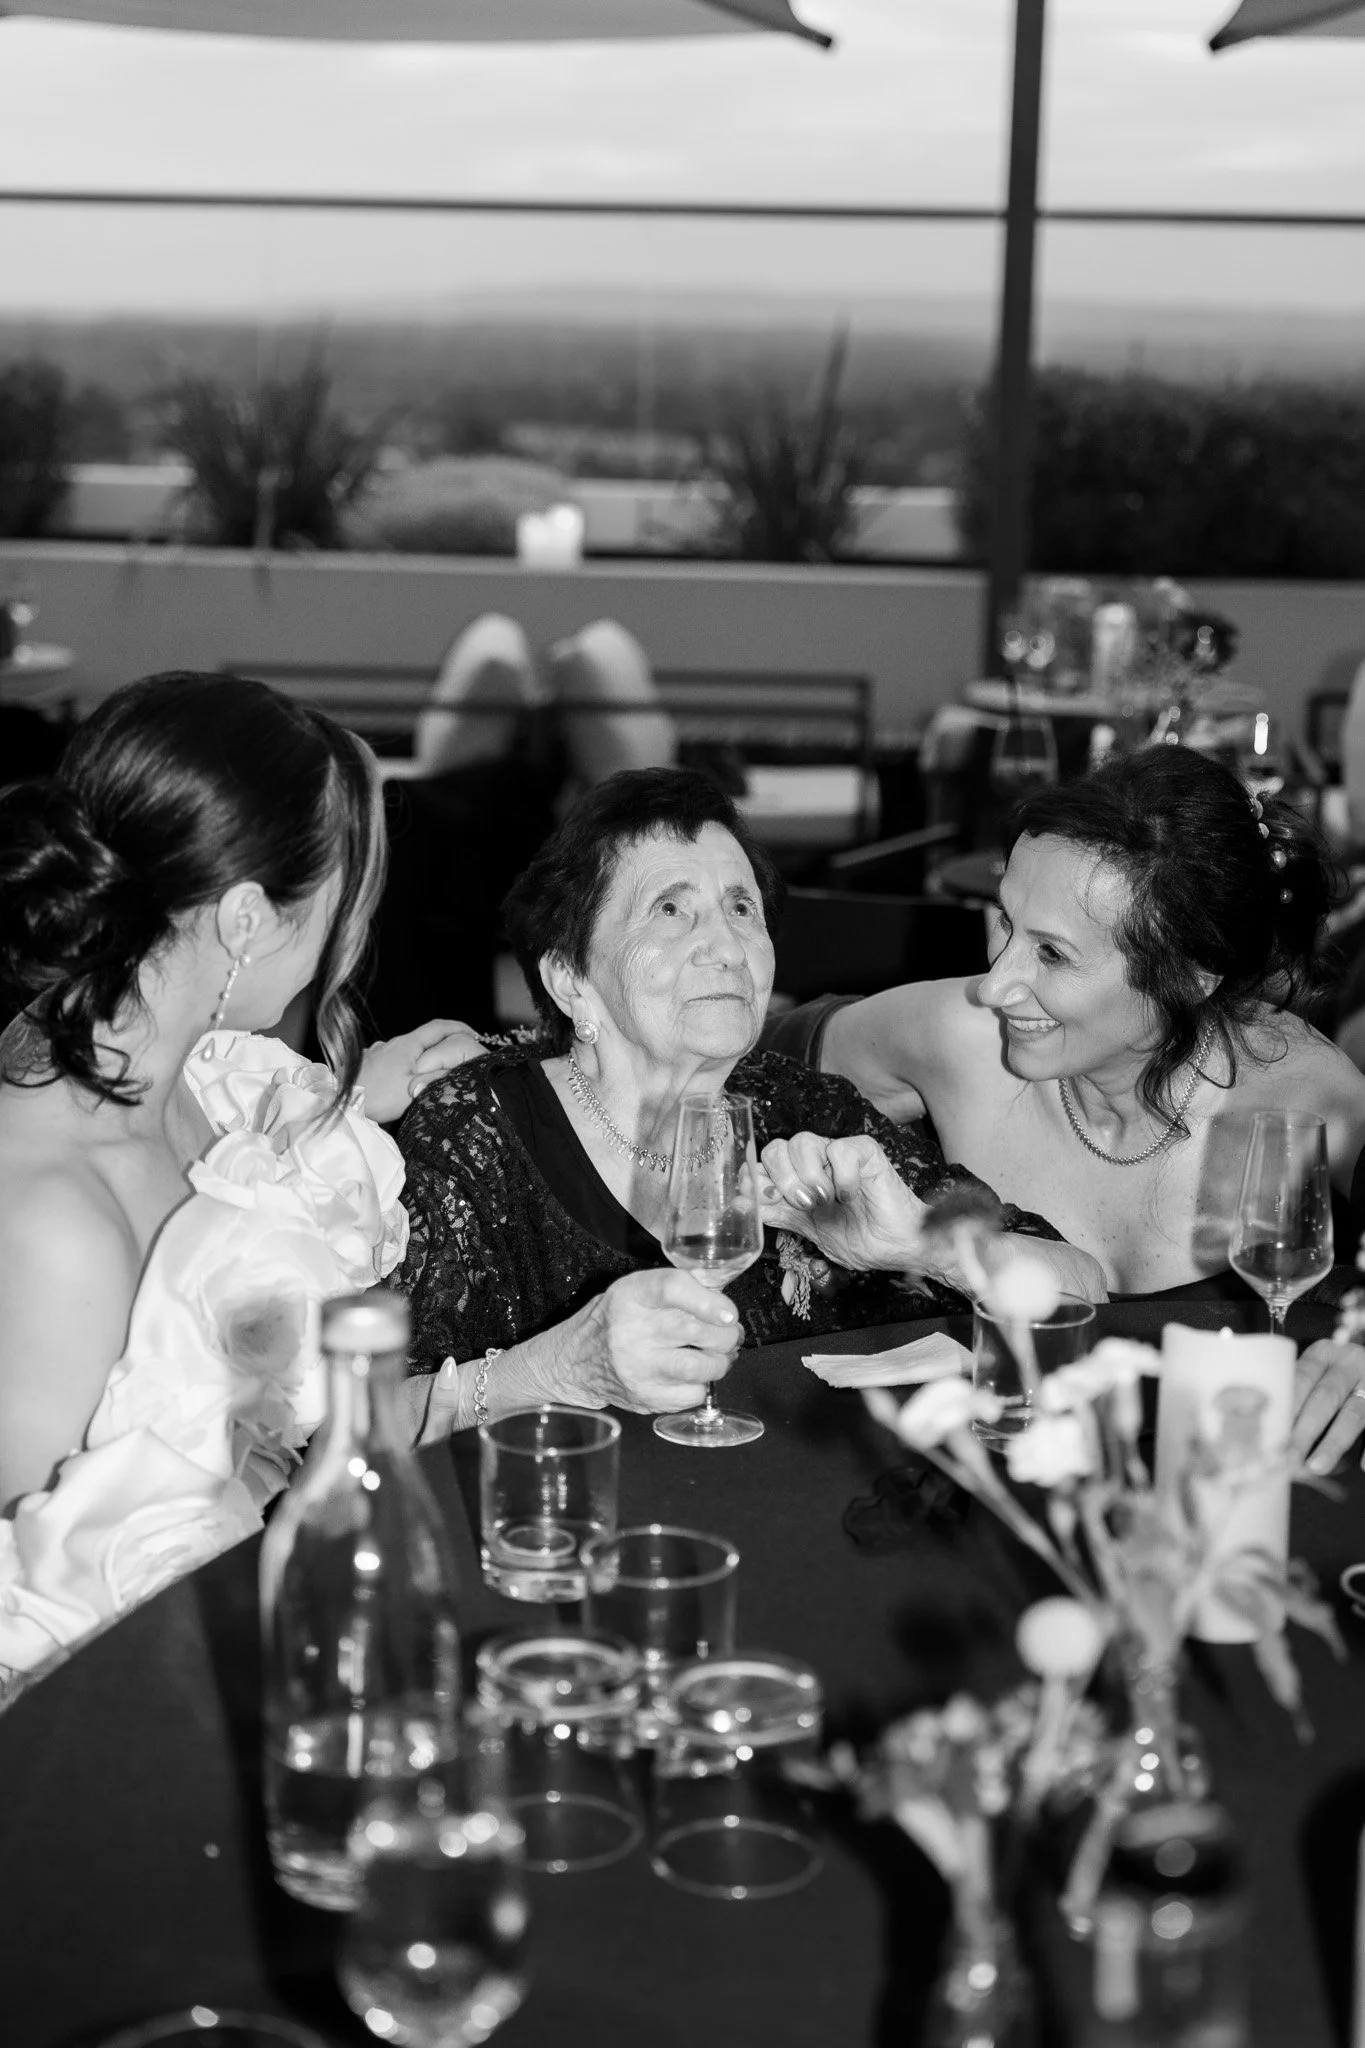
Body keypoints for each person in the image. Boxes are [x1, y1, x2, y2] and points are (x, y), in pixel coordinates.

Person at [0, 671, 474, 1691]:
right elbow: (51, 1605)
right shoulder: (52, 1223)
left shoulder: (185, 1078)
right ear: (251, 918)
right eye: (335, 895)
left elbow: (245, 1162)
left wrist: (368, 1092)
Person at [394, 767, 1106, 1422]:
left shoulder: (808, 1112)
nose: (726, 946)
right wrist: (551, 1370)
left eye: (741, 908)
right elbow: (352, 1422)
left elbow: (1081, 1287)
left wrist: (923, 1246)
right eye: (670, 911)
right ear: (569, 978)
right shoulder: (474, 1135)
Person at [763, 747, 1365, 1471]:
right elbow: (739, 1060)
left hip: (1213, 1494)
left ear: (1189, 975)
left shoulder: (1307, 1105)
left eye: (1051, 954)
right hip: (971, 1490)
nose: (996, 985)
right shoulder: (957, 1038)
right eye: (1004, 923)